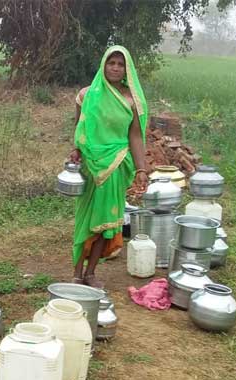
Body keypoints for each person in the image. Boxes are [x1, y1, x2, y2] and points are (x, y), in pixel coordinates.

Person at [69, 45, 149, 289]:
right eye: (111, 62)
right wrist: (76, 150)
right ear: (103, 65)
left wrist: (141, 168)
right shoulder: (87, 94)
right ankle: (76, 272)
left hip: (115, 165)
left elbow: (135, 135)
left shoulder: (130, 99)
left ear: (127, 69)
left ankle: (91, 272)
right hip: (90, 166)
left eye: (120, 64)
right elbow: (80, 128)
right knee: (84, 219)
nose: (115, 68)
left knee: (106, 221)